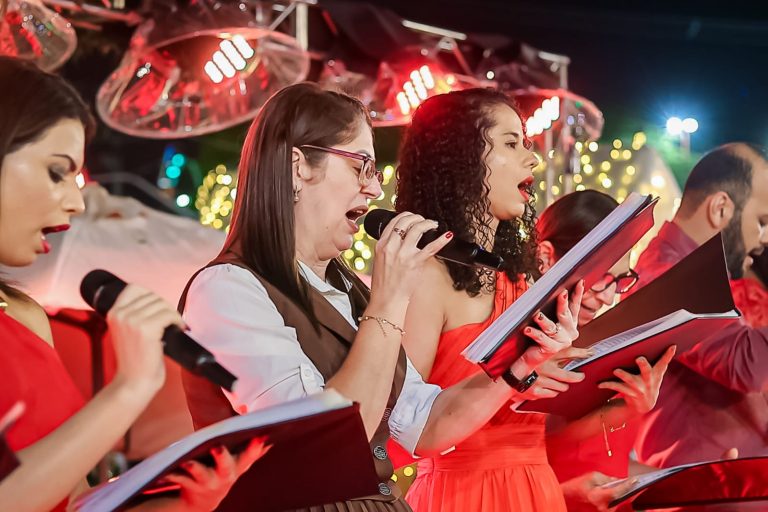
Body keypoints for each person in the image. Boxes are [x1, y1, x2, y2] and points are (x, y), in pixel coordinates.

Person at [179, 82, 577, 511]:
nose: (373, 189)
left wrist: (518, 368)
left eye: (374, 172)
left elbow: (425, 424)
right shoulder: (226, 289)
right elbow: (322, 446)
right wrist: (388, 301)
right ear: (298, 167)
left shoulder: (348, 293)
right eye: (361, 166)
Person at [0, 56, 266, 512]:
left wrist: (185, 500)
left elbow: (72, 502)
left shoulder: (26, 318)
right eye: (56, 172)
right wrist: (131, 387)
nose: (76, 202)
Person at [394, 91, 672, 512]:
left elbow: (531, 425)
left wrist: (624, 407)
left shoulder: (520, 284)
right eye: (511, 143)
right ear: (461, 158)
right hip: (463, 496)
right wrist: (514, 375)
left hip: (537, 490)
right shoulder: (425, 275)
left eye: (526, 144)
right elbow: (399, 431)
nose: (533, 159)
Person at [630, 143, 768, 469]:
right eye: (761, 221)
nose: (763, 239)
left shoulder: (698, 272)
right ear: (720, 208)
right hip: (703, 488)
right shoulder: (668, 276)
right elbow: (747, 364)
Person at [536, 190, 673, 511]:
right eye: (601, 277)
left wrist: (696, 481)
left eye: (620, 279)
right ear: (546, 258)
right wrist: (565, 496)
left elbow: (611, 469)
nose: (609, 297)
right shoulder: (517, 350)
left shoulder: (604, 345)